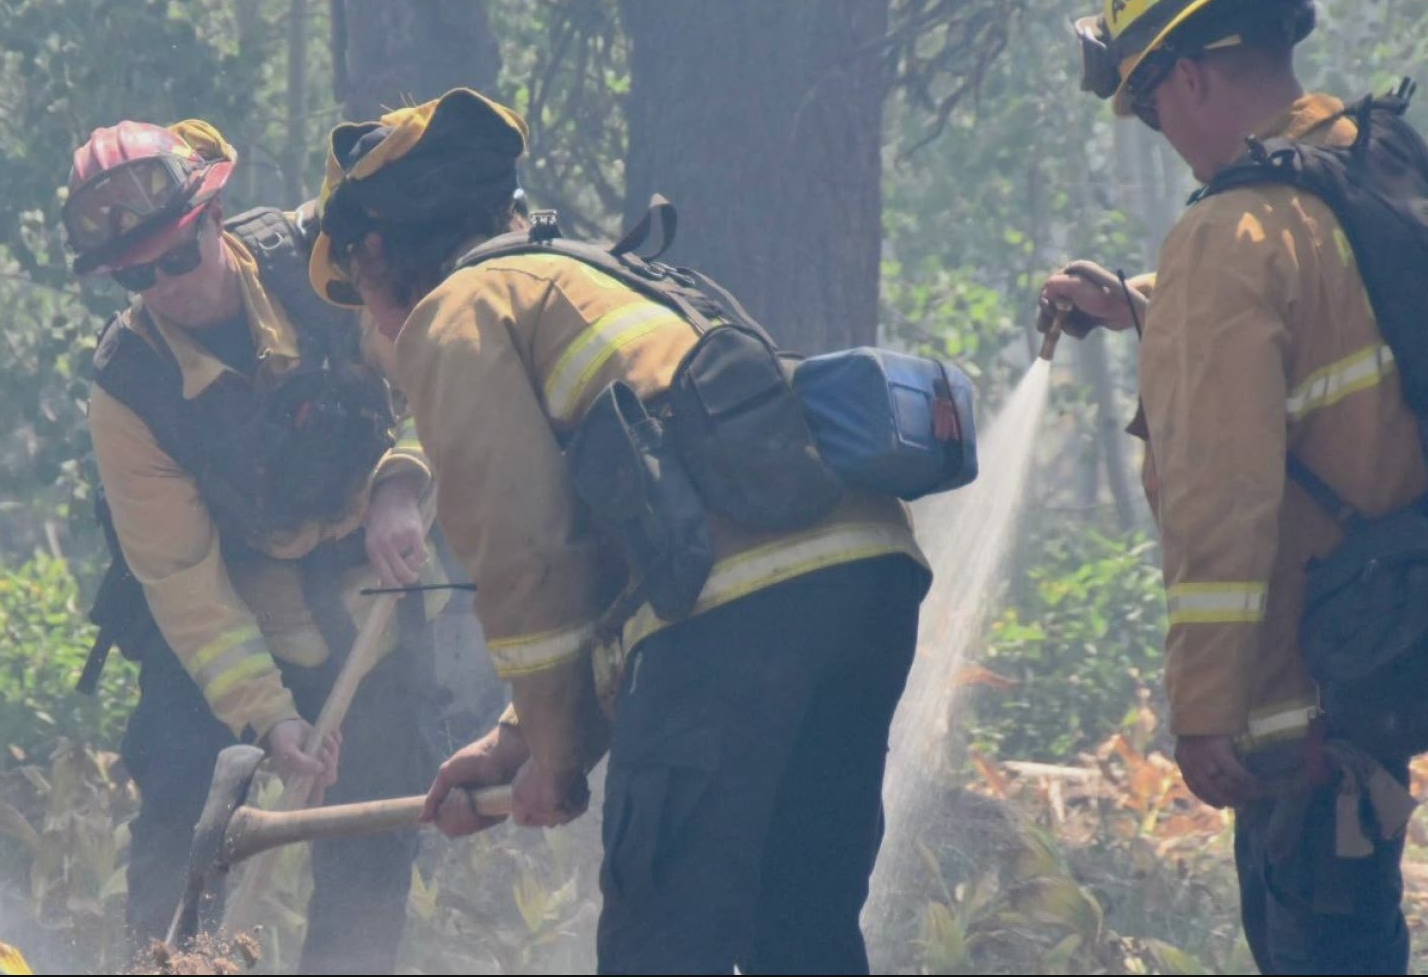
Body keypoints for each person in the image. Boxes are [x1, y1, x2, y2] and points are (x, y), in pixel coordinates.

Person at [307, 87, 931, 974]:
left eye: (357, 283)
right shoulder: (589, 274)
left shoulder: (458, 310)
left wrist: (557, 758)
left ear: (375, 246)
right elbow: (629, 539)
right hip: (859, 579)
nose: (370, 315)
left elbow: (526, 555)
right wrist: (520, 739)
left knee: (662, 946)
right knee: (797, 930)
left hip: (737, 611)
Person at [1042, 0, 1427, 972]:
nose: (1157, 128)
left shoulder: (1227, 234)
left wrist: (1209, 709)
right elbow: (1330, 313)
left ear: (1193, 75)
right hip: (1392, 637)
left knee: (1318, 941)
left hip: (1304, 691)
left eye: (1147, 102)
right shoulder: (1367, 165)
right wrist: (1143, 306)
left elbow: (1220, 499)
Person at [63, 117, 446, 971]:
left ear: (214, 215)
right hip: (222, 639)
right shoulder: (128, 388)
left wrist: (401, 484)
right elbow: (184, 580)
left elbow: (442, 369)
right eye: (138, 273)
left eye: (177, 255)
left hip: (367, 592)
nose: (167, 286)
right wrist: (270, 720)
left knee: (372, 858)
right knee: (178, 844)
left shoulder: (320, 268)